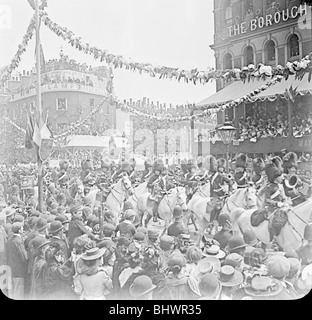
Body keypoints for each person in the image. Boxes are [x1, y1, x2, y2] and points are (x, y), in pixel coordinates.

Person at [208, 157, 233, 234]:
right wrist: (211, 196)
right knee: (214, 209)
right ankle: (211, 223)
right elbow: (211, 188)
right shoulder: (212, 177)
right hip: (216, 196)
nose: (221, 169)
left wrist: (230, 191)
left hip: (222, 195)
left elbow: (230, 182)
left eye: (222, 168)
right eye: (220, 168)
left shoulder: (221, 176)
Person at [5, 222, 28, 300]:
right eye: (22, 228)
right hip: (19, 271)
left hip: (10, 269)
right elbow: (24, 257)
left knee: (11, 293)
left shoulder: (9, 240)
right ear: (19, 230)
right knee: (18, 293)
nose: (23, 229)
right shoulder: (18, 241)